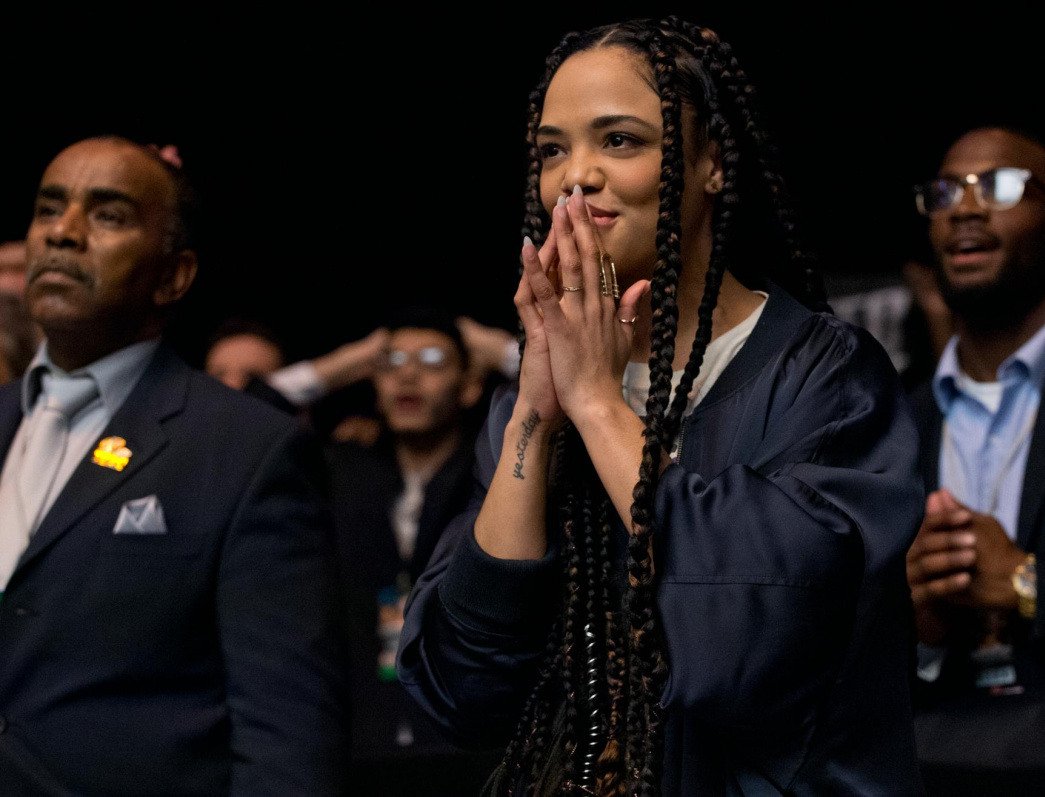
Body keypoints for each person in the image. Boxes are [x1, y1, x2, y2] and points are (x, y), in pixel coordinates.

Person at [397, 15, 925, 796]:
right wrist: (536, 416)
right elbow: (460, 690)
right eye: (551, 150)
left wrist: (596, 401)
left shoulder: (822, 374)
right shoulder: (528, 404)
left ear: (711, 163)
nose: (575, 176)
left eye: (619, 140)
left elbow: (750, 641)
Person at [0, 135, 348, 794]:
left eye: (107, 214)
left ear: (174, 276)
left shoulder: (246, 449)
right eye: (48, 208)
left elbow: (287, 734)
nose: (62, 233)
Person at [905, 124, 1045, 793]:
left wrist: (1024, 583)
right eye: (943, 192)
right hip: (929, 766)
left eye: (1000, 186)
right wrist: (917, 626)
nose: (963, 207)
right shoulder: (887, 425)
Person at [325, 305, 502, 794]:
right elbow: (240, 424)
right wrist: (346, 362)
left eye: (431, 361)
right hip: (363, 740)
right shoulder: (344, 471)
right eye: (392, 362)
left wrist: (499, 351)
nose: (407, 376)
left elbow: (564, 408)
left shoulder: (494, 474)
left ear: (469, 386)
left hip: (467, 742)